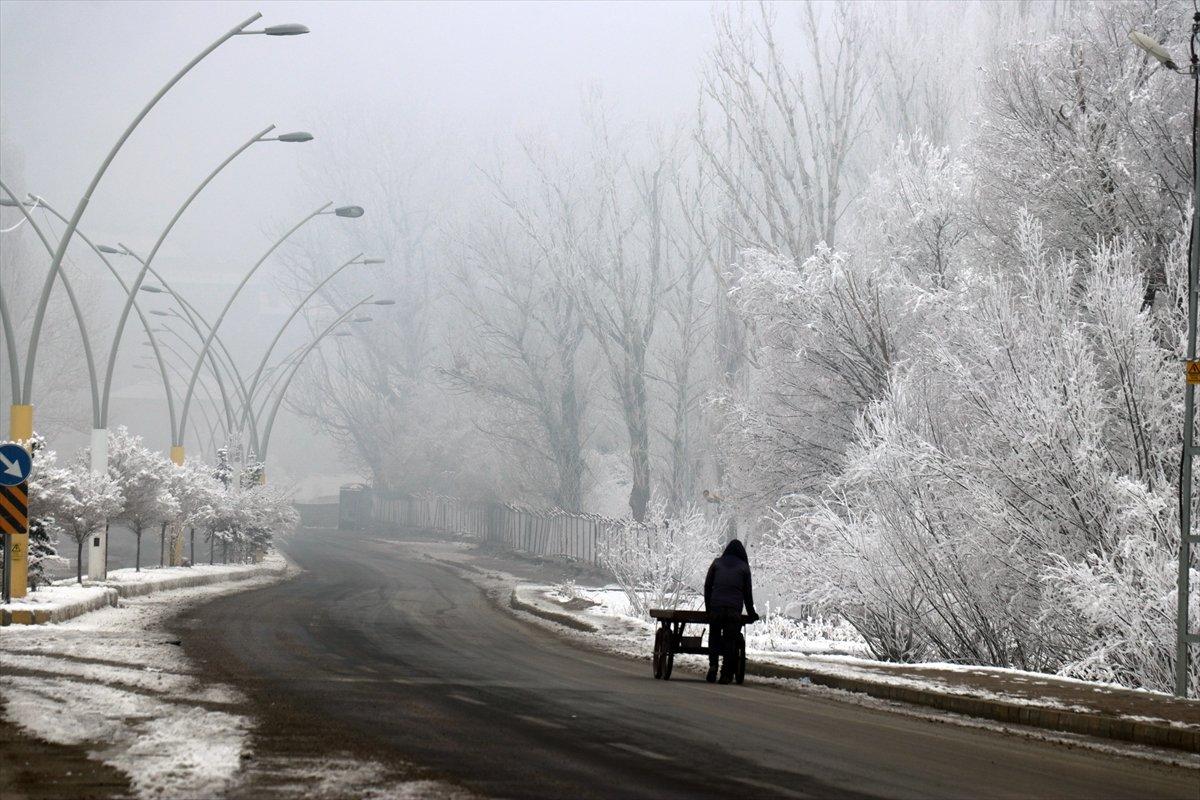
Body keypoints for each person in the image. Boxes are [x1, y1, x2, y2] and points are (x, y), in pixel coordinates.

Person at [703, 538, 759, 684]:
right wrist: (751, 613)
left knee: (714, 636)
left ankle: (713, 667)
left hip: (716, 608)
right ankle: (726, 673)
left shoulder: (716, 563)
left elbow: (708, 587)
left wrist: (709, 608)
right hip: (733, 610)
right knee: (730, 641)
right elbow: (747, 594)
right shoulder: (744, 568)